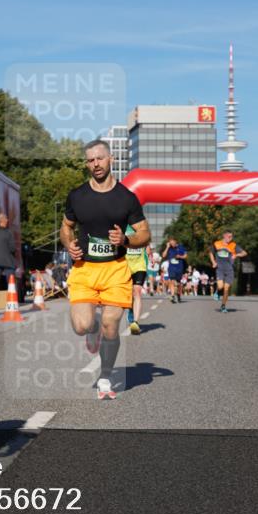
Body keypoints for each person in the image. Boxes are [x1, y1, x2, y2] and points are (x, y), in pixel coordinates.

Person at [61, 139, 150, 399]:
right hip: (84, 269)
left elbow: (145, 234)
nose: (96, 164)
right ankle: (93, 327)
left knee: (111, 324)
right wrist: (69, 244)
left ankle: (105, 376)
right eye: (90, 160)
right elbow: (66, 227)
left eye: (100, 158)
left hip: (115, 269)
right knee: (82, 326)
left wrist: (125, 240)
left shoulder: (126, 198)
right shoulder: (77, 196)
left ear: (111, 159)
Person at [209, 230, 247, 313]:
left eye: (232, 236)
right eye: (229, 236)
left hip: (229, 270)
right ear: (224, 236)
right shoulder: (217, 244)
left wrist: (236, 255)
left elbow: (244, 253)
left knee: (226, 289)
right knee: (220, 286)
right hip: (220, 268)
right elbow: (211, 253)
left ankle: (223, 306)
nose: (231, 238)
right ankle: (217, 292)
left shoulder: (233, 245)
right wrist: (213, 262)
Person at [124, 224, 151, 335]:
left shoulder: (142, 227)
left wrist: (149, 253)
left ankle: (135, 322)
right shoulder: (122, 226)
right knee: (130, 293)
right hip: (126, 265)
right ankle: (131, 310)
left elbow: (147, 245)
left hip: (140, 265)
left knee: (138, 291)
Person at [163, 237, 188, 303]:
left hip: (179, 268)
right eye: (170, 243)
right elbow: (163, 255)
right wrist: (167, 247)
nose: (172, 244)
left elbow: (185, 256)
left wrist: (180, 256)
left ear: (175, 241)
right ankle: (172, 296)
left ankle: (178, 295)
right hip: (171, 268)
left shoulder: (181, 247)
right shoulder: (169, 248)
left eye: (173, 242)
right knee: (171, 281)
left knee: (178, 283)